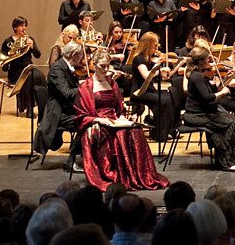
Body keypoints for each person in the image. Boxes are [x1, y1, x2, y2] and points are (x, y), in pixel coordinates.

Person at [75, 50, 169, 191]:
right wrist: (98, 120)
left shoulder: (112, 83)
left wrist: (123, 117)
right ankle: (117, 174)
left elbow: (120, 107)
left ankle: (136, 175)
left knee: (136, 131)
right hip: (98, 121)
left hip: (114, 119)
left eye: (108, 66)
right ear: (94, 65)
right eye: (102, 66)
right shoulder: (86, 87)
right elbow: (81, 114)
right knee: (119, 134)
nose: (106, 69)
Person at [182, 45, 235, 173]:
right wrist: (223, 93)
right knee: (230, 123)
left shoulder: (200, 75)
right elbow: (208, 97)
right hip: (196, 115)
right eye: (208, 59)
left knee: (232, 119)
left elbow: (214, 90)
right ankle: (225, 161)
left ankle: (232, 156)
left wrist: (228, 78)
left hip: (204, 113)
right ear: (201, 61)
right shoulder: (197, 76)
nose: (210, 62)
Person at [31, 41, 85, 172]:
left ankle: (88, 157)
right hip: (58, 113)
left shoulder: (67, 67)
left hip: (67, 109)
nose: (83, 59)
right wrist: (86, 87)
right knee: (86, 122)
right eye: (81, 55)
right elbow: (67, 93)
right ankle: (71, 161)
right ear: (74, 55)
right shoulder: (57, 69)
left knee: (90, 118)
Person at [126, 32, 182, 142]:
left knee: (171, 97)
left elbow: (165, 76)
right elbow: (146, 75)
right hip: (139, 92)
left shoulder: (150, 58)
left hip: (150, 90)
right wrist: (158, 69)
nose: (157, 48)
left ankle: (170, 128)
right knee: (163, 100)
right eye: (155, 45)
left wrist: (176, 66)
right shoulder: (139, 59)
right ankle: (159, 132)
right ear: (147, 45)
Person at [0, 16, 43, 118]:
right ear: (15, 27)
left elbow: (38, 55)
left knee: (40, 76)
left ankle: (41, 105)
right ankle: (29, 108)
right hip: (15, 70)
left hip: (28, 67)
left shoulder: (29, 39)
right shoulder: (8, 41)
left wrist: (32, 46)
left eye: (25, 25)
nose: (24, 28)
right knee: (28, 78)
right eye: (21, 26)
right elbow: (3, 61)